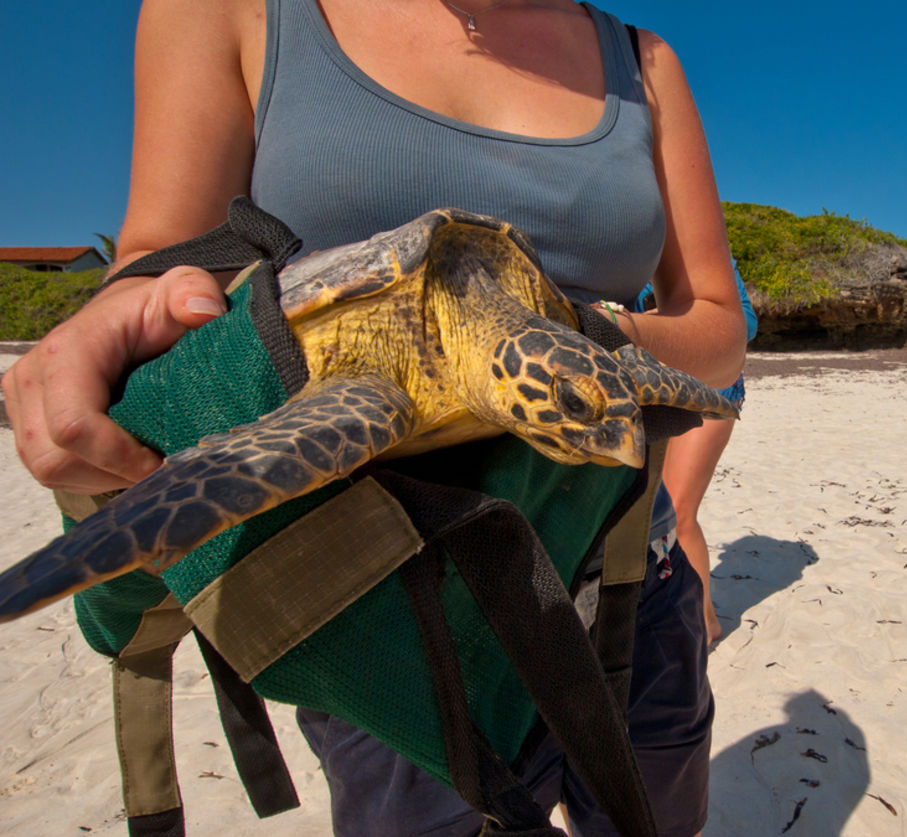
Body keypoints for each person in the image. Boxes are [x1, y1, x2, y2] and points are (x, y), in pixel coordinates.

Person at [1, 1, 746, 835]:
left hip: (631, 571)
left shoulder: (644, 60)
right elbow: (166, 256)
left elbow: (719, 326)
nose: (604, 427)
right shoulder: (230, 11)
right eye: (576, 409)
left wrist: (582, 337)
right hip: (393, 610)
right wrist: (122, 311)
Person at [632, 268, 757, 643]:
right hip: (656, 391)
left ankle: (701, 626)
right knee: (653, 512)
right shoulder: (627, 252)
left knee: (679, 512)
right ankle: (692, 617)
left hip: (711, 390)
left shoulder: (696, 253)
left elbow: (744, 324)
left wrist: (649, 321)